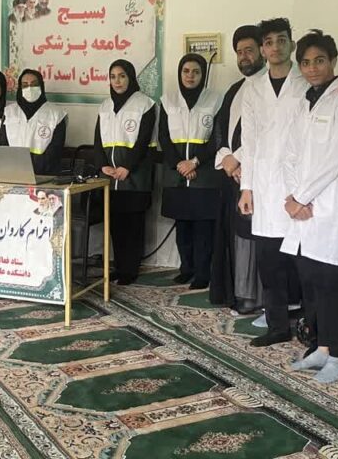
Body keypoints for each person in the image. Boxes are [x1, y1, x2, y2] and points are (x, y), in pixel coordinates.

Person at [280, 30, 338, 383]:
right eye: (306, 62)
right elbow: (289, 153)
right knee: (311, 280)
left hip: (330, 203)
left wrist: (302, 197)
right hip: (302, 205)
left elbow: (337, 155)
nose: (312, 68)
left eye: (319, 61)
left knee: (332, 282)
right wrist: (292, 197)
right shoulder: (304, 101)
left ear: (333, 61)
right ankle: (321, 348)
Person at [237, 18, 309, 347]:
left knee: (304, 263)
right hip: (265, 187)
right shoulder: (253, 88)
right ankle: (277, 326)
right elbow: (249, 141)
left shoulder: (307, 81)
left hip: (300, 186)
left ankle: (312, 328)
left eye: (282, 40)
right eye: (269, 42)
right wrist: (247, 188)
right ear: (263, 49)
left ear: (291, 44)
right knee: (270, 264)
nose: (275, 47)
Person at [210, 25, 266, 312]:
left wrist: (239, 159)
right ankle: (239, 293)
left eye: (249, 51)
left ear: (262, 51)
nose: (244, 57)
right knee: (235, 235)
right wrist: (228, 161)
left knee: (253, 236)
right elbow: (220, 131)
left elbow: (266, 132)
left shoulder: (270, 86)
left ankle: (256, 297)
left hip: (256, 173)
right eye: (240, 52)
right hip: (233, 174)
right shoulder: (235, 89)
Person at [159, 53, 223, 289]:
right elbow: (163, 137)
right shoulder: (168, 100)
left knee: (204, 228)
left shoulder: (215, 100)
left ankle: (203, 273)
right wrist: (180, 165)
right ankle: (186, 269)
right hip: (177, 174)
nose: (190, 76)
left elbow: (217, 138)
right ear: (180, 73)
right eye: (186, 71)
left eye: (196, 72)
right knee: (183, 225)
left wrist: (194, 163)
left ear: (202, 75)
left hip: (204, 174)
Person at [94, 59, 156, 285]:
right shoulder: (105, 106)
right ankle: (119, 267)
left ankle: (130, 270)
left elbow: (143, 140)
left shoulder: (145, 104)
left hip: (135, 176)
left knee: (133, 225)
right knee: (116, 224)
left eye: (121, 76)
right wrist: (102, 165)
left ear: (130, 77)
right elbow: (98, 139)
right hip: (111, 177)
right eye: (113, 77)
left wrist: (127, 167)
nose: (117, 81)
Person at [1, 69, 67, 175]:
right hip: (13, 173)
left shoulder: (56, 114)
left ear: (41, 86)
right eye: (25, 85)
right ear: (20, 88)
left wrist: (32, 169)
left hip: (44, 175)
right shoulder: (9, 112)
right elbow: (2, 144)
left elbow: (55, 149)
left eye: (34, 84)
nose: (30, 88)